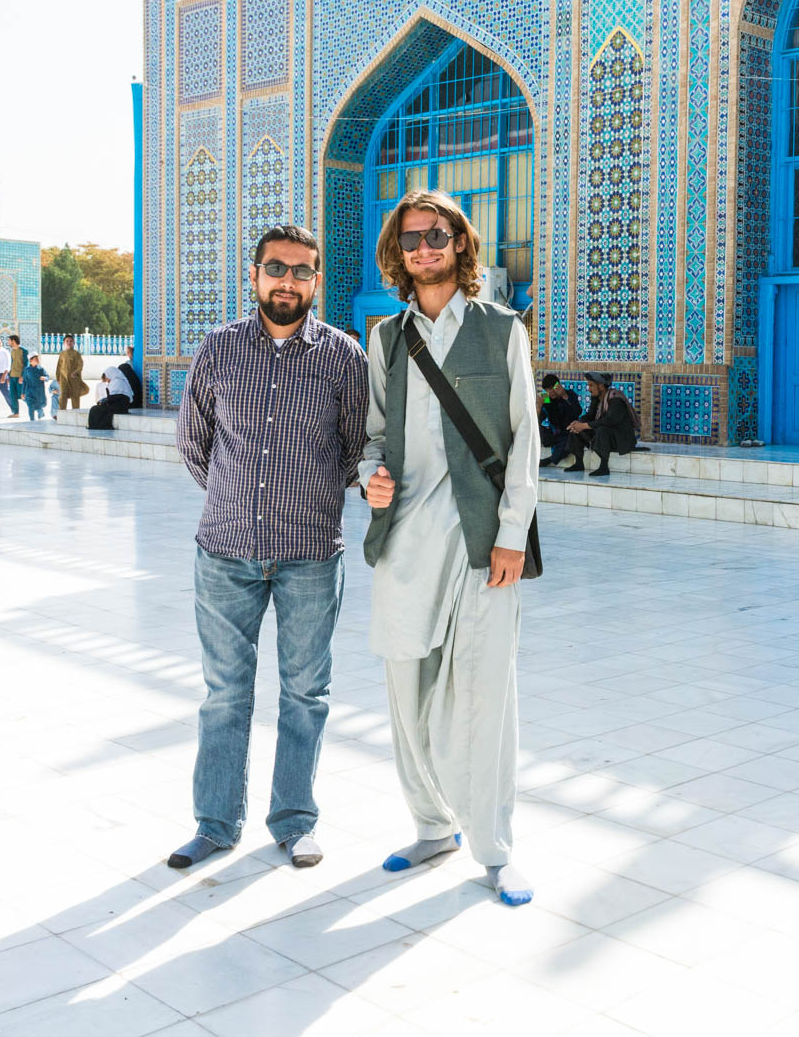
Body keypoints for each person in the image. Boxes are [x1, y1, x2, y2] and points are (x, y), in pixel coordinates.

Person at [169, 223, 369, 873]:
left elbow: (354, 450)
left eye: (301, 270)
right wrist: (237, 501)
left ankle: (293, 822)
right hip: (226, 553)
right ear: (253, 276)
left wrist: (300, 501)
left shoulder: (344, 358)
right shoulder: (219, 350)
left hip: (311, 553)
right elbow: (194, 443)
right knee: (224, 693)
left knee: (305, 692)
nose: (288, 281)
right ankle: (214, 824)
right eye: (276, 268)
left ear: (316, 280)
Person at [359, 188, 538, 908]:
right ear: (397, 255)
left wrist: (512, 535)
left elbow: (527, 438)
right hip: (405, 542)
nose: (424, 248)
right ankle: (433, 826)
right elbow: (373, 433)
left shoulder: (502, 330)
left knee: (486, 696)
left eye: (437, 235)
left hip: (482, 545)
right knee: (407, 693)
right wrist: (367, 474)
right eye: (411, 240)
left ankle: (494, 850)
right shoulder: (385, 339)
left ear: (461, 242)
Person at [564, 370, 638, 477]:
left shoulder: (616, 399)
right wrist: (578, 422)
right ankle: (579, 463)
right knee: (576, 429)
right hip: (607, 436)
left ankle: (604, 467)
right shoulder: (596, 399)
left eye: (591, 386)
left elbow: (609, 420)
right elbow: (590, 415)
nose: (589, 389)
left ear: (601, 387)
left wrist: (584, 425)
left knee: (602, 430)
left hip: (621, 439)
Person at [538, 374, 581, 468]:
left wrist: (564, 396)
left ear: (558, 386)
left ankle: (550, 460)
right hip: (554, 434)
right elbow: (539, 418)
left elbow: (578, 412)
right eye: (547, 390)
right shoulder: (546, 397)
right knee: (537, 428)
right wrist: (538, 407)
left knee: (569, 439)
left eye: (551, 389)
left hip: (568, 432)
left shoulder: (569, 394)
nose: (550, 392)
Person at [87, 365, 134, 430]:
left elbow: (115, 397)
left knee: (96, 409)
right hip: (116, 405)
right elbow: (113, 397)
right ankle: (95, 426)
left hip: (120, 407)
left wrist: (104, 401)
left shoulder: (118, 382)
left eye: (106, 377)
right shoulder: (115, 381)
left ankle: (100, 426)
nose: (107, 379)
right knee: (95, 409)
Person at [55, 336, 86, 414]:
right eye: (67, 341)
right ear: (64, 343)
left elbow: (80, 365)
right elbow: (59, 366)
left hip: (74, 379)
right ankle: (62, 414)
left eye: (71, 341)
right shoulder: (62, 354)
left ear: (74, 343)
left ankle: (76, 414)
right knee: (63, 396)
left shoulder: (76, 354)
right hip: (63, 379)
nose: (69, 343)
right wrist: (58, 378)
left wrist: (76, 372)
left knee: (75, 397)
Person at [22, 354, 51, 421]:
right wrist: (23, 392)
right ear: (30, 361)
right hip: (29, 392)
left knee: (39, 406)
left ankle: (41, 414)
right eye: (36, 359)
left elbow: (47, 377)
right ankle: (32, 420)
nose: (38, 360)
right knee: (30, 406)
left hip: (39, 392)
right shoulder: (27, 369)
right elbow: (25, 381)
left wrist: (45, 378)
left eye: (38, 359)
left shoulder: (41, 369)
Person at [6, 335, 26, 417]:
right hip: (12, 376)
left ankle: (36, 406)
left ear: (13, 341)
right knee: (12, 395)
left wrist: (22, 376)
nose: (8, 342)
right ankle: (16, 413)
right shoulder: (12, 351)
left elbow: (26, 364)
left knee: (21, 395)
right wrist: (8, 376)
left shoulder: (23, 351)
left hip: (19, 377)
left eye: (9, 341)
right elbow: (12, 364)